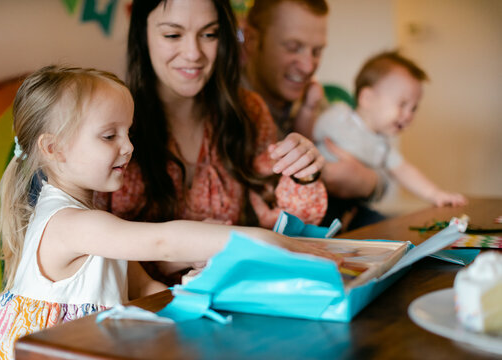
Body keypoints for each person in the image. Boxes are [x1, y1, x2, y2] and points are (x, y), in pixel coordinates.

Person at [0, 66, 337, 360]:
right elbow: (163, 240)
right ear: (53, 149)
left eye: (128, 132)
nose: (128, 147)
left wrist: (195, 301)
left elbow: (144, 288)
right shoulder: (69, 223)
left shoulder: (89, 220)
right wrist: (265, 241)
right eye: (109, 136)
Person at [94, 0, 330, 283]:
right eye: (173, 35)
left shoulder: (249, 113)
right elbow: (86, 250)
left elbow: (288, 228)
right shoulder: (107, 119)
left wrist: (303, 172)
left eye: (209, 34)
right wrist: (179, 252)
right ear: (142, 35)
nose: (194, 53)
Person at [242, 0, 387, 229]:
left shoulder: (315, 100)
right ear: (251, 40)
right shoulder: (228, 107)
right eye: (292, 47)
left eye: (317, 51)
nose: (309, 67)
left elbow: (381, 173)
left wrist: (367, 182)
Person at [313, 51, 467, 207]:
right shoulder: (339, 116)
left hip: (350, 207)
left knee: (380, 224)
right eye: (402, 104)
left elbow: (404, 170)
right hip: (313, 193)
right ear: (367, 98)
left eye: (413, 109)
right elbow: (305, 135)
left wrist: (435, 194)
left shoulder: (382, 147)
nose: (408, 115)